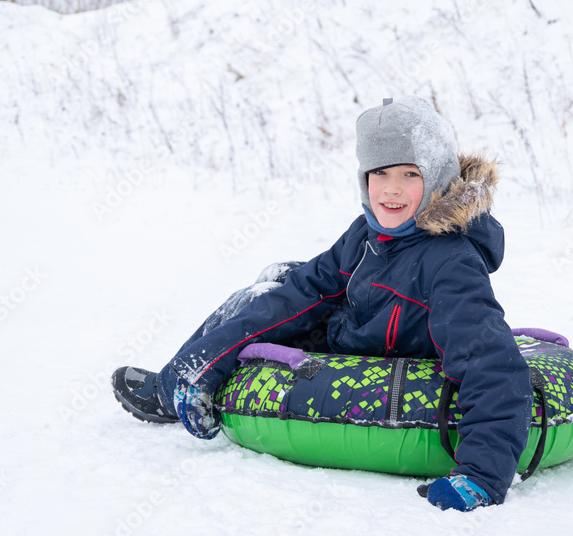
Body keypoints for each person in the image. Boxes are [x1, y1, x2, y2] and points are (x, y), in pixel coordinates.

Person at [112, 97, 533, 511]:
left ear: (438, 176)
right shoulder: (365, 235)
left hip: (377, 358)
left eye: (410, 173)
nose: (391, 189)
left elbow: (487, 360)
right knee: (276, 280)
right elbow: (307, 288)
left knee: (255, 298)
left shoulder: (449, 261)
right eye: (380, 172)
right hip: (356, 327)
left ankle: (181, 385)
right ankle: (187, 379)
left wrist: (480, 474)